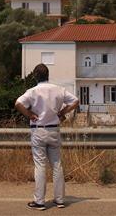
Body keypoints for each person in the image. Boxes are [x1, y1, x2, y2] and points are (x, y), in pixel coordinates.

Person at [15, 63, 79, 211]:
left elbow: (18, 103)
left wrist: (29, 114)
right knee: (57, 165)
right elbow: (75, 101)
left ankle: (40, 201)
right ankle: (60, 200)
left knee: (40, 165)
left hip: (38, 130)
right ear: (48, 75)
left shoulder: (32, 91)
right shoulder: (59, 89)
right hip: (54, 130)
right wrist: (62, 112)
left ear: (36, 76)